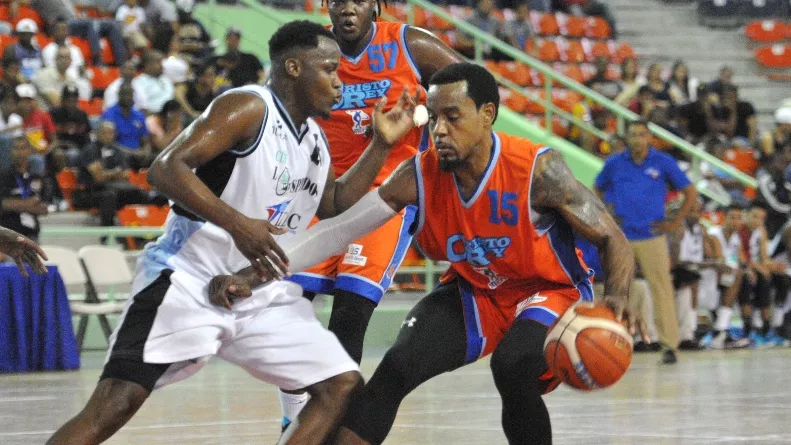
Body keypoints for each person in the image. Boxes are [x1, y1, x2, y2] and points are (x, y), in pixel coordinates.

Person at [209, 63, 640, 445]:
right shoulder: (417, 174)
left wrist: (617, 294)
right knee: (396, 368)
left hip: (547, 290)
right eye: (433, 118)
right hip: (477, 291)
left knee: (511, 369)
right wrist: (250, 276)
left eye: (453, 117)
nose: (439, 131)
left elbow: (611, 237)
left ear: (487, 115)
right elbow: (336, 231)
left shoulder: (537, 170)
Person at [45, 20, 420, 445]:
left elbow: (332, 203)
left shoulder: (314, 138)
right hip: (187, 277)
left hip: (257, 293)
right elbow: (165, 168)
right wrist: (237, 224)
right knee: (114, 405)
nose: (339, 82)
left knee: (339, 383)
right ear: (294, 68)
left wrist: (381, 146)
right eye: (330, 70)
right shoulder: (248, 107)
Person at [284, 0, 461, 429]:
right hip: (323, 195)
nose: (348, 7)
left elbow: (471, 85)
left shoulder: (409, 42)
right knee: (287, 306)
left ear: (376, 5)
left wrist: (430, 113)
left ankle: (335, 426)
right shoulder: (314, 53)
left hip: (385, 197)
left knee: (350, 311)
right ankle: (293, 425)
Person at [595, 119, 698, 364]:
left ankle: (669, 346)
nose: (638, 139)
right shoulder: (614, 164)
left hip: (653, 236)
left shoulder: (663, 162)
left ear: (649, 138)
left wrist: (673, 223)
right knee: (618, 290)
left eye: (643, 135)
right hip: (622, 237)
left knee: (662, 289)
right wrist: (607, 213)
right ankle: (613, 342)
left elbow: (690, 192)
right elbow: (597, 187)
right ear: (627, 138)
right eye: (633, 135)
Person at [71, 121, 165, 229]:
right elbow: (98, 177)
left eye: (110, 132)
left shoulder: (117, 151)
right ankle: (107, 234)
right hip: (90, 192)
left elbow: (125, 175)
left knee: (139, 194)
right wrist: (116, 172)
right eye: (104, 132)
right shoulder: (90, 150)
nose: (108, 135)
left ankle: (143, 232)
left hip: (116, 189)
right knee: (108, 196)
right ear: (97, 134)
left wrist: (108, 173)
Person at [698, 205, 751, 349]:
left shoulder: (735, 237)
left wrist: (748, 270)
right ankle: (720, 331)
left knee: (746, 277)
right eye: (732, 217)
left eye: (739, 218)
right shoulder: (715, 234)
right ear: (724, 218)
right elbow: (719, 259)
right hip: (708, 277)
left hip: (724, 277)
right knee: (737, 275)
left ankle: (728, 330)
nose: (736, 221)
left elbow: (742, 260)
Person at [0, 137, 48, 244]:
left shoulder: (37, 178)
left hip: (32, 234)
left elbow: (44, 208)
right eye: (16, 148)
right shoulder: (3, 177)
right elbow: (3, 204)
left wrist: (16, 204)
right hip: (9, 235)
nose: (19, 152)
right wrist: (31, 203)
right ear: (10, 151)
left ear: (29, 151)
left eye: (23, 148)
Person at [100, 81, 153, 169]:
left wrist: (146, 151)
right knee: (122, 157)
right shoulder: (109, 114)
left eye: (130, 94)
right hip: (118, 153)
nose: (127, 97)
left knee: (157, 160)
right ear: (119, 95)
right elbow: (109, 142)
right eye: (124, 94)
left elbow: (145, 140)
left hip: (138, 153)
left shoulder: (139, 115)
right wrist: (132, 152)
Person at [50, 85, 91, 163]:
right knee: (73, 154)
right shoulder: (53, 114)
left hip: (79, 148)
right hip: (60, 148)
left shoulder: (82, 115)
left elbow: (87, 136)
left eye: (74, 99)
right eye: (68, 99)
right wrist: (66, 144)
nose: (71, 101)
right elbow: (51, 137)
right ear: (62, 100)